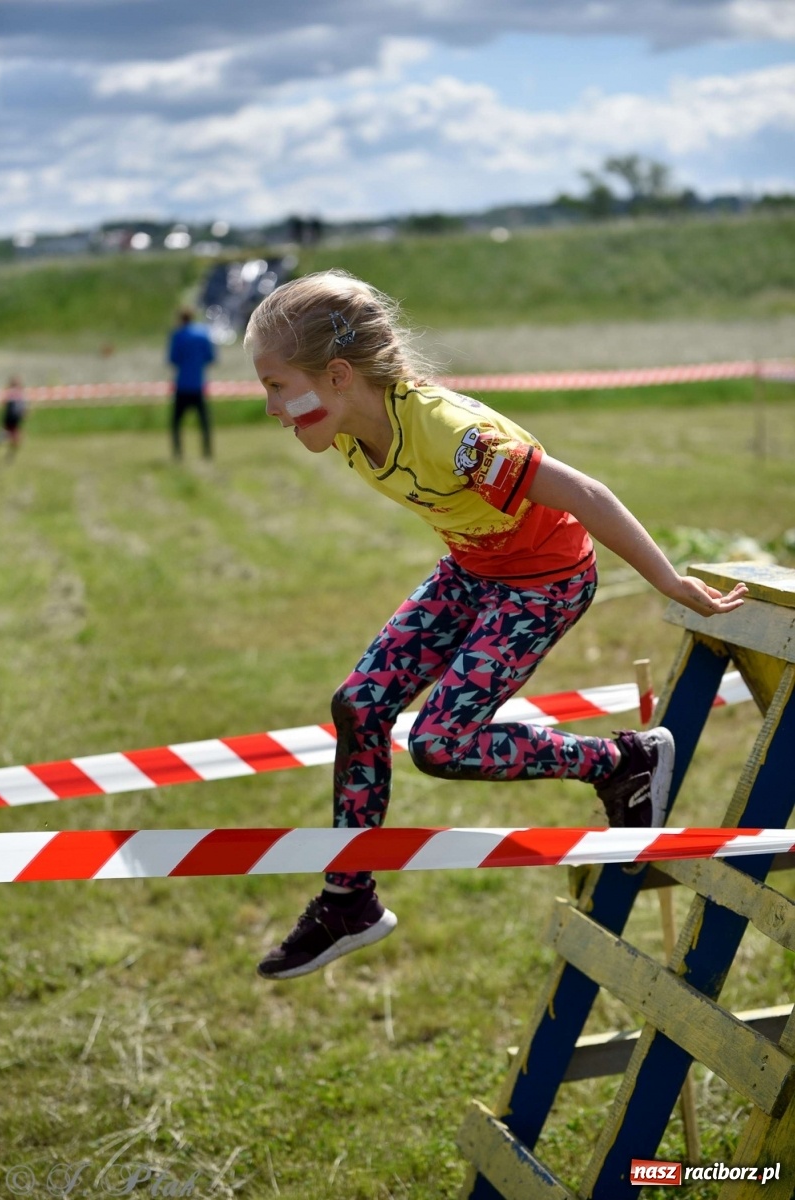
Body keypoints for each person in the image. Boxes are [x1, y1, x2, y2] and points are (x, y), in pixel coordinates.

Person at [244, 269, 748, 982]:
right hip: (472, 571)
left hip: (542, 582)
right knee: (358, 706)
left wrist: (667, 580)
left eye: (273, 385)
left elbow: (583, 493)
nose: (269, 407)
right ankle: (346, 900)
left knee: (441, 744)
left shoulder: (455, 438)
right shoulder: (352, 430)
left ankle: (621, 763)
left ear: (334, 376)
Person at [168, 308, 216, 459]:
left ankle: (178, 453)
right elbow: (210, 357)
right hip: (198, 384)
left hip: (182, 385)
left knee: (176, 423)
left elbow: (173, 359)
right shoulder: (202, 334)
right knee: (204, 422)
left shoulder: (177, 335)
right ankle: (207, 451)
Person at [0, 376, 28, 460]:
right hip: (9, 419)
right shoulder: (12, 393)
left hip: (14, 419)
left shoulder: (20, 394)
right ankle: (7, 447)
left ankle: (10, 453)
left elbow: (23, 408)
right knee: (6, 436)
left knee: (14, 438)